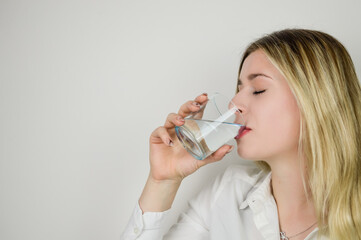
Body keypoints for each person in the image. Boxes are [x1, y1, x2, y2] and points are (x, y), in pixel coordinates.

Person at [120, 29, 361, 240]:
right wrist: (162, 181)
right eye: (238, 89)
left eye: (258, 90)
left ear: (318, 101)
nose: (234, 104)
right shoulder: (229, 191)